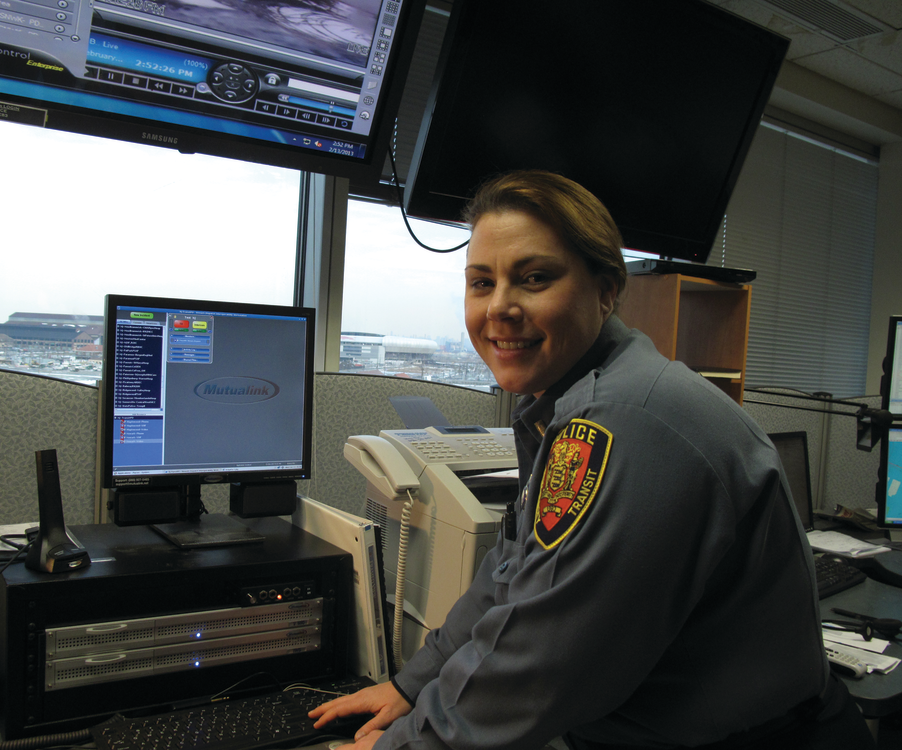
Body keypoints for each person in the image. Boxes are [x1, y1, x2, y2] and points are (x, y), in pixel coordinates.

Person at [310, 170, 876, 749]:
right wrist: (411, 685)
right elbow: (510, 573)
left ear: (606, 291)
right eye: (481, 282)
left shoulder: (623, 424)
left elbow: (538, 667)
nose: (499, 306)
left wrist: (402, 745)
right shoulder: (568, 404)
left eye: (534, 278)